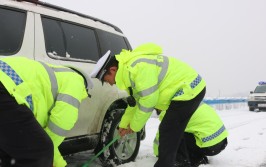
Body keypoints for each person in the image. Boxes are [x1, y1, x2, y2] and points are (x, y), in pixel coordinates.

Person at [90, 43, 207, 167]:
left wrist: (134, 126)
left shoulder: (138, 68)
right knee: (174, 129)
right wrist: (123, 126)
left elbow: (148, 101)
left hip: (189, 89)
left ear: (112, 70)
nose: (108, 83)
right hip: (185, 90)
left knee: (168, 130)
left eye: (105, 79)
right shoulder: (129, 73)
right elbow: (135, 103)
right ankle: (182, 162)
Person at [0, 57, 93, 167]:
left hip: (5, 84)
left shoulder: (52, 78)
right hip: (5, 86)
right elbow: (60, 125)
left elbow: (45, 136)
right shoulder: (76, 81)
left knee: (11, 151)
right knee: (38, 152)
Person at [153, 102, 228, 167]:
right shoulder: (190, 101)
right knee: (186, 130)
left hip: (209, 145)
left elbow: (162, 136)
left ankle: (183, 162)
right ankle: (198, 157)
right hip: (221, 141)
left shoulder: (169, 112)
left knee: (174, 134)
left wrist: (159, 154)